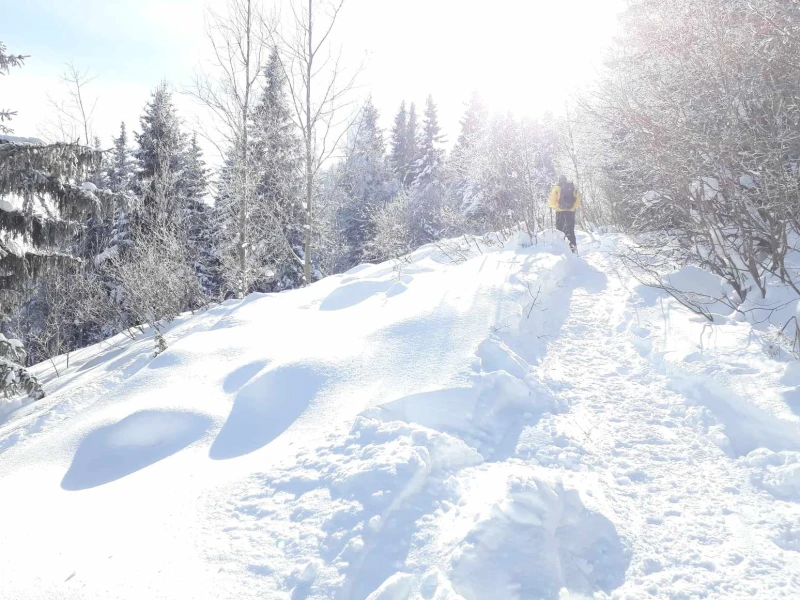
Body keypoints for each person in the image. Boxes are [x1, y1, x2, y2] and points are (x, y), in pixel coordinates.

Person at [548, 175, 581, 251]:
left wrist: (558, 206)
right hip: (571, 213)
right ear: (566, 179)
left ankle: (562, 250)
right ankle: (573, 249)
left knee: (560, 232)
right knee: (571, 231)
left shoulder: (556, 187)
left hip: (560, 213)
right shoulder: (572, 187)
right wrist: (572, 207)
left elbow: (552, 202)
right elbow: (578, 201)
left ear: (559, 180)